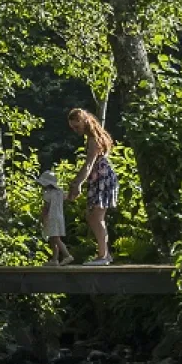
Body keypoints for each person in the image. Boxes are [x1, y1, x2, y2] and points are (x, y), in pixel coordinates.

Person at [66, 107, 117, 266]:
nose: (75, 130)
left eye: (77, 126)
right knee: (92, 216)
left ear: (84, 121)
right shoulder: (91, 137)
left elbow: (89, 165)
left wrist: (78, 184)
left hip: (102, 179)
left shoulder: (94, 140)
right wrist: (75, 182)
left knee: (96, 216)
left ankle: (103, 256)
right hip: (98, 178)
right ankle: (105, 254)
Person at [37, 170, 75, 266]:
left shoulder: (47, 194)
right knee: (53, 238)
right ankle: (55, 259)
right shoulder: (60, 192)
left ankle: (67, 255)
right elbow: (69, 197)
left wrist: (41, 218)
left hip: (51, 217)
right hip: (60, 217)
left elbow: (46, 208)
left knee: (56, 238)